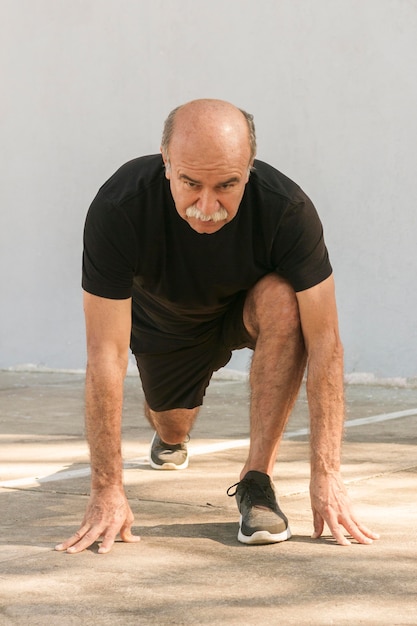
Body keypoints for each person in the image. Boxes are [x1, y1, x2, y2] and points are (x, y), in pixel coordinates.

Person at [55, 98, 379, 554]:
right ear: (166, 163)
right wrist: (107, 488)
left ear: (249, 169)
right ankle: (168, 435)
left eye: (227, 184)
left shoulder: (286, 209)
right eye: (190, 183)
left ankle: (256, 482)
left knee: (286, 303)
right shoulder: (120, 207)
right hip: (167, 327)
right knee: (173, 426)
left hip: (243, 310)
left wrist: (327, 474)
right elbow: (105, 354)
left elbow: (326, 342)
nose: (207, 207)